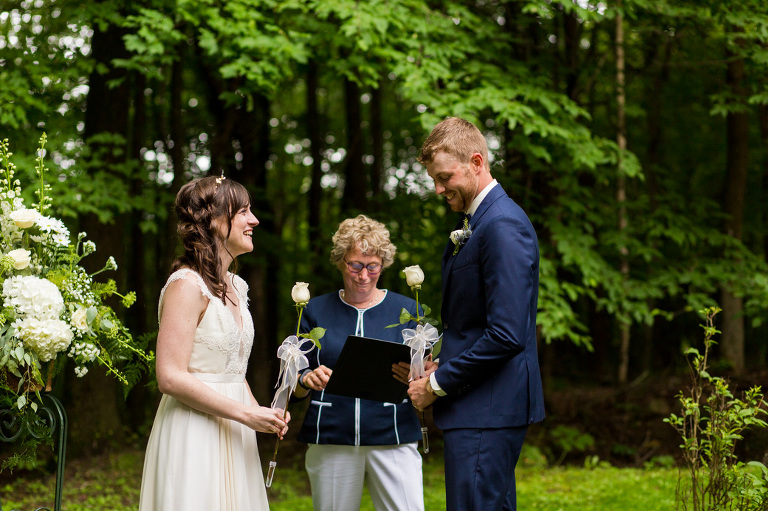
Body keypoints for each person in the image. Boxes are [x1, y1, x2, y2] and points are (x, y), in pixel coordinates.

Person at [406, 117, 545, 511]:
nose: (438, 189)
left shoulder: (502, 225)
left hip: (489, 407)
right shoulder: (477, 221)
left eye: (444, 177)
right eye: (434, 180)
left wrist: (437, 385)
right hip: (479, 406)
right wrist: (442, 361)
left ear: (477, 162)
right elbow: (474, 323)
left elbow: (506, 334)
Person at [139, 175, 289, 510]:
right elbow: (169, 377)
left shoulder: (238, 285)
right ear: (215, 221)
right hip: (194, 430)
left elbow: (233, 369)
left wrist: (262, 413)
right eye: (244, 212)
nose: (254, 220)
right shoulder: (186, 285)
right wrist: (244, 413)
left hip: (236, 432)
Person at [292, 214, 425, 511]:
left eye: (372, 266)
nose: (364, 275)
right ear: (341, 261)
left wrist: (415, 374)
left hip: (393, 436)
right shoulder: (314, 310)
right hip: (331, 437)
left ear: (383, 264)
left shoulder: (407, 309)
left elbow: (424, 377)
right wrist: (306, 378)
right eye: (355, 265)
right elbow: (294, 380)